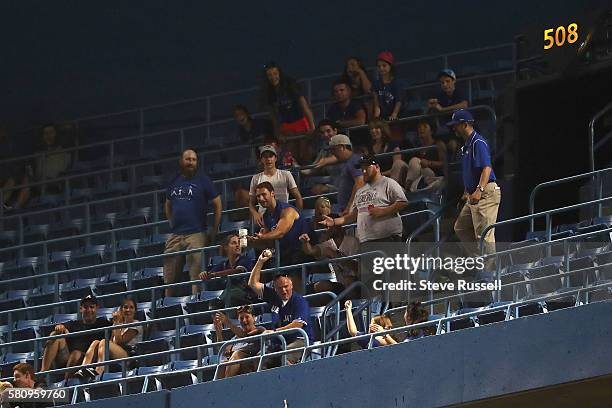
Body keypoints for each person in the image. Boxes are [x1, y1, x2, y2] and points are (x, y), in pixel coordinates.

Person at [164, 148, 222, 296]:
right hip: (176, 234)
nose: (191, 162)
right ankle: (166, 307)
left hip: (196, 233)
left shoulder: (203, 180)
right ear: (181, 161)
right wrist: (171, 222)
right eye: (188, 159)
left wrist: (214, 229)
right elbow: (168, 203)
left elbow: (217, 203)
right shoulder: (174, 180)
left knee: (196, 276)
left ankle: (196, 305)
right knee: (169, 276)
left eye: (194, 160)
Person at [449, 110, 501, 263]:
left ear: (465, 124)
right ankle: (481, 262)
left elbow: (487, 168)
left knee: (484, 235)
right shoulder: (467, 145)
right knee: (461, 227)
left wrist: (479, 190)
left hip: (486, 192)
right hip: (473, 194)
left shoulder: (478, 142)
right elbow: (471, 172)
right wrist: (467, 191)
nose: (454, 129)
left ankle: (490, 275)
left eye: (456, 125)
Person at [320, 154, 408, 243]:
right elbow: (354, 215)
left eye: (367, 167)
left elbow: (403, 202)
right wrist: (334, 222)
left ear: (376, 167)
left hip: (387, 237)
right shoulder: (360, 191)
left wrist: (383, 211)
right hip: (366, 240)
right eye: (362, 168)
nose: (364, 171)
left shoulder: (388, 183)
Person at [248, 250, 313, 364]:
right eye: (280, 288)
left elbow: (298, 324)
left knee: (284, 357)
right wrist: (260, 261)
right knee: (258, 360)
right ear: (275, 288)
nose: (283, 290)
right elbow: (252, 283)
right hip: (279, 343)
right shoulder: (273, 296)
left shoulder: (299, 301)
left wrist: (274, 332)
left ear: (291, 285)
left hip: (300, 340)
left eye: (286, 286)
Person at [40, 295, 112, 379]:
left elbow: (114, 339)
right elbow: (64, 330)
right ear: (81, 309)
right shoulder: (74, 324)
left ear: (97, 308)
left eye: (91, 307)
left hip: (91, 359)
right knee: (54, 335)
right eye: (85, 307)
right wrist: (60, 329)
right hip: (67, 359)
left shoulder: (103, 323)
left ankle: (66, 383)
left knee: (76, 354)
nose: (88, 310)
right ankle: (42, 374)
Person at [248, 182, 310, 270]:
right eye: (258, 196)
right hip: (284, 255)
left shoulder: (287, 210)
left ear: (272, 193)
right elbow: (269, 243)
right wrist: (252, 242)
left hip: (302, 252)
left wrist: (263, 237)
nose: (261, 198)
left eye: (264, 194)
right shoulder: (266, 216)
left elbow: (280, 232)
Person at [263, 62, 315, 163]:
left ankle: (308, 175)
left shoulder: (290, 85)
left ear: (279, 74)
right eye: (269, 75)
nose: (273, 77)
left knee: (304, 153)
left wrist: (312, 125)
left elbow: (305, 106)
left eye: (275, 73)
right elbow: (273, 116)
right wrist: (278, 133)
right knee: (291, 154)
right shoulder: (269, 92)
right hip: (286, 126)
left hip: (300, 121)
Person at [77, 297, 143, 377]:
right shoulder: (118, 324)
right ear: (121, 310)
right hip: (116, 354)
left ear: (135, 310)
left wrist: (117, 323)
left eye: (131, 307)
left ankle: (98, 372)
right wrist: (117, 324)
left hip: (129, 355)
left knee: (104, 342)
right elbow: (111, 342)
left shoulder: (136, 324)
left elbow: (120, 342)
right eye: (125, 307)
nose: (128, 310)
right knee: (96, 342)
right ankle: (83, 368)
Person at [248, 145, 303, 228]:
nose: (268, 159)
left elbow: (298, 197)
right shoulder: (256, 178)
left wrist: (297, 216)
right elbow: (251, 203)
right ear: (261, 160)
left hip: (284, 215)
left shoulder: (286, 175)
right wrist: (255, 214)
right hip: (264, 218)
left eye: (271, 156)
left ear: (275, 158)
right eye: (265, 157)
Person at [199, 234, 257, 307]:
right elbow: (211, 273)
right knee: (214, 303)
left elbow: (237, 271)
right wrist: (205, 274)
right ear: (226, 247)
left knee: (229, 295)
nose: (237, 245)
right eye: (234, 243)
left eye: (239, 243)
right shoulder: (224, 264)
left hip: (248, 295)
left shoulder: (245, 260)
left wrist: (214, 274)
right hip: (231, 295)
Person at [300, 225, 360, 295]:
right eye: (327, 226)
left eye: (331, 225)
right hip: (341, 285)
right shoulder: (328, 244)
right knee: (320, 286)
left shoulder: (352, 241)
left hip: (357, 282)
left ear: (338, 226)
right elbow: (311, 251)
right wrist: (305, 242)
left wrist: (335, 255)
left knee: (349, 280)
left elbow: (357, 267)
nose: (328, 228)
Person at [213, 306, 265, 378]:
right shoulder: (236, 337)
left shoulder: (260, 330)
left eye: (247, 317)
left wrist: (227, 322)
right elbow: (223, 350)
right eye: (241, 318)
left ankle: (227, 383)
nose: (244, 320)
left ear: (253, 318)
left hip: (250, 364)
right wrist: (218, 332)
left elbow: (245, 336)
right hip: (234, 367)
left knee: (237, 354)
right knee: (222, 364)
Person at [427, 69, 469, 158]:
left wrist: (443, 109)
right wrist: (431, 105)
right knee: (450, 145)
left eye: (447, 81)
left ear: (454, 81)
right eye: (442, 83)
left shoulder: (459, 91)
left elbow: (464, 105)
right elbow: (433, 108)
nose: (445, 85)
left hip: (466, 127)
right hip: (452, 131)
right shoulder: (441, 96)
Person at [301, 119, 342, 196]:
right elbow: (311, 169)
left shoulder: (343, 144)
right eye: (322, 133)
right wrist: (296, 167)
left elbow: (331, 159)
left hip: (343, 184)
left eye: (328, 131)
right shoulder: (324, 149)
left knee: (317, 188)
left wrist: (325, 161)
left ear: (335, 131)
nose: (325, 135)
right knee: (306, 183)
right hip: (331, 181)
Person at [404, 119, 446, 191]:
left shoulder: (438, 144)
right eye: (419, 127)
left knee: (415, 160)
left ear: (431, 131)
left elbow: (444, 163)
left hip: (434, 176)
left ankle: (407, 188)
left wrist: (429, 163)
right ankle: (409, 189)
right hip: (419, 178)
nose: (421, 129)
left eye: (425, 127)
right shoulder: (418, 148)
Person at [328, 134, 364, 215]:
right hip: (343, 208)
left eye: (334, 149)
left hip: (350, 210)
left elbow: (359, 183)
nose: (332, 153)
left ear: (342, 147)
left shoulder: (354, 161)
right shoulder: (347, 162)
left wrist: (349, 207)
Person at [365, 119, 408, 185]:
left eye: (376, 128)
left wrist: (381, 175)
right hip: (375, 181)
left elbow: (397, 167)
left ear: (383, 129)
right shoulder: (368, 148)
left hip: (392, 179)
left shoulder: (393, 146)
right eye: (371, 128)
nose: (373, 131)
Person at [0, 126, 31, 211]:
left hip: (12, 184)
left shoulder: (11, 148)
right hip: (5, 184)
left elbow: (18, 172)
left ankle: (14, 210)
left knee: (24, 180)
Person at [372, 51, 404, 121]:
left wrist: (394, 114)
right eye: (379, 66)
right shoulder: (376, 84)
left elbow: (399, 101)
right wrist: (376, 118)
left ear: (390, 66)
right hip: (383, 118)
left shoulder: (397, 83)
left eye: (384, 65)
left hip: (397, 117)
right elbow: (376, 104)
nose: (381, 68)